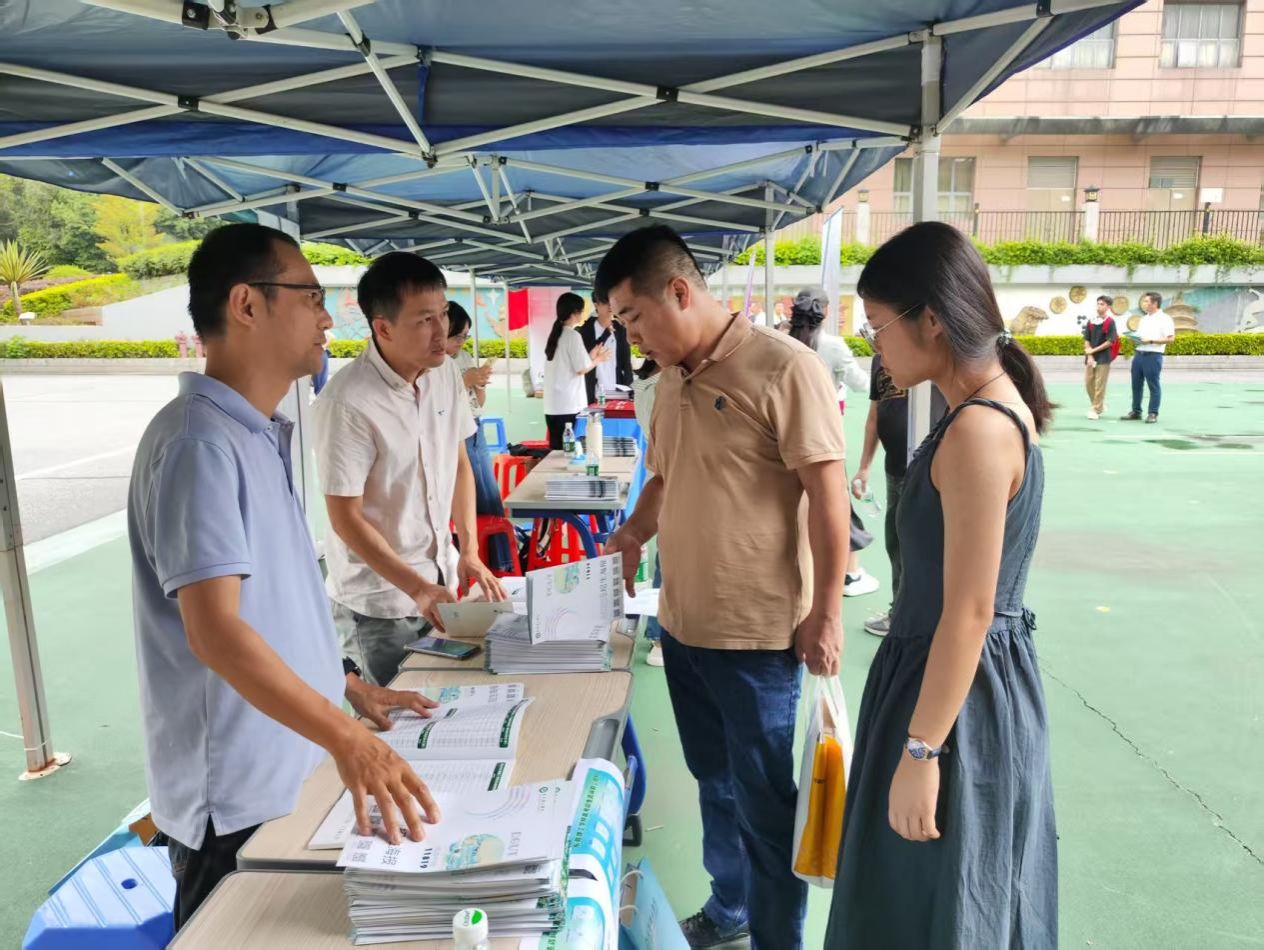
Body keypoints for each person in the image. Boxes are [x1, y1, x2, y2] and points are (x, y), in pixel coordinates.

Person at [128, 224, 441, 929]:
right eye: (311, 297)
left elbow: (271, 605)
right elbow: (216, 632)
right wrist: (347, 738)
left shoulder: (251, 433)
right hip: (235, 799)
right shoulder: (199, 443)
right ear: (247, 304)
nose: (327, 319)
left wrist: (346, 686)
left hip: (285, 772)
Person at [599, 225, 849, 950]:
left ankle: (778, 939)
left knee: (766, 805)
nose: (630, 338)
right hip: (681, 625)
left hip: (757, 636)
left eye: (633, 318)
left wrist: (826, 613)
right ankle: (730, 904)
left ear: (679, 291)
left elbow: (828, 499)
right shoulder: (668, 381)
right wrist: (633, 532)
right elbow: (663, 477)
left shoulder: (785, 367)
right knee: (714, 779)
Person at [825, 222, 1056, 948]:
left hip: (956, 699)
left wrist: (922, 753)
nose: (876, 347)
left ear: (929, 319)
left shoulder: (980, 430)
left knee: (936, 898)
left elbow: (971, 611)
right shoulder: (979, 410)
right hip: (943, 680)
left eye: (877, 326)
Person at [313, 252, 506, 687]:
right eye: (424, 320)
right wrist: (416, 587)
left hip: (440, 582)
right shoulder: (346, 402)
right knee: (392, 716)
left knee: (441, 701)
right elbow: (345, 517)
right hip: (379, 603)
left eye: (443, 314)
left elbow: (458, 464)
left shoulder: (445, 375)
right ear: (383, 328)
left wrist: (469, 550)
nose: (441, 332)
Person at [787, 287, 879, 599]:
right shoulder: (833, 346)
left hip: (784, 436)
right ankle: (849, 574)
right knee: (836, 505)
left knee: (797, 503)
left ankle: (807, 568)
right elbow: (862, 384)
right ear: (826, 311)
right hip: (824, 439)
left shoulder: (782, 340)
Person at [445, 301, 511, 573]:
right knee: (473, 496)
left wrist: (479, 383)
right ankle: (483, 560)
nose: (461, 342)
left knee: (488, 495)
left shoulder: (462, 357)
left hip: (473, 425)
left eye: (465, 336)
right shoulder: (435, 362)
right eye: (456, 336)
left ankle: (501, 560)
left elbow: (478, 402)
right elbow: (437, 398)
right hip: (455, 432)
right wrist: (467, 380)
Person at [851, 349, 908, 638]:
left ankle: (916, 619)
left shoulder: (927, 354)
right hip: (894, 468)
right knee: (895, 542)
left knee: (920, 546)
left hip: (926, 469)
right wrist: (864, 467)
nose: (874, 338)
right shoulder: (880, 360)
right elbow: (874, 415)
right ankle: (900, 612)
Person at [543, 292, 610, 450]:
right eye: (581, 311)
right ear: (575, 312)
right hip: (568, 404)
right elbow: (581, 368)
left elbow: (576, 363)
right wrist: (599, 359)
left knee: (556, 450)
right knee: (568, 450)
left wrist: (592, 355)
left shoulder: (557, 334)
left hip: (553, 405)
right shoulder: (572, 335)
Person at [630, 356, 664, 667]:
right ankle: (658, 636)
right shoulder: (660, 387)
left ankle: (658, 634)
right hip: (673, 486)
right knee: (669, 565)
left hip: (665, 483)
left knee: (667, 562)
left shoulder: (649, 383)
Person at [1122, 291, 1175, 424]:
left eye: (1146, 301)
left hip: (1153, 355)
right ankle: (1136, 411)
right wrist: (1134, 339)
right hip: (1139, 354)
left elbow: (1170, 339)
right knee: (1136, 385)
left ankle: (1153, 413)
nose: (1144, 304)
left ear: (1155, 303)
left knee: (1153, 385)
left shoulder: (1165, 319)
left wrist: (1151, 341)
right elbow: (1141, 337)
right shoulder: (1144, 319)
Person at [582, 289, 634, 404]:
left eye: (611, 301)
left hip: (617, 392)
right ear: (596, 305)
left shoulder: (620, 329)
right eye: (605, 302)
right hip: (594, 392)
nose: (610, 306)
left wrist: (630, 389)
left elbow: (626, 363)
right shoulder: (586, 330)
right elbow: (586, 360)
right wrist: (606, 334)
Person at [1083, 295, 1119, 420]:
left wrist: (1093, 351)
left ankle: (1096, 409)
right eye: (1098, 303)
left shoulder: (1110, 322)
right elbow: (1086, 339)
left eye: (1102, 304)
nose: (1099, 306)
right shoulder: (1091, 321)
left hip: (1104, 357)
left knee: (1099, 385)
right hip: (1091, 358)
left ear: (1108, 307)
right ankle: (1099, 405)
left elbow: (1110, 341)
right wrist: (1090, 355)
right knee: (1088, 383)